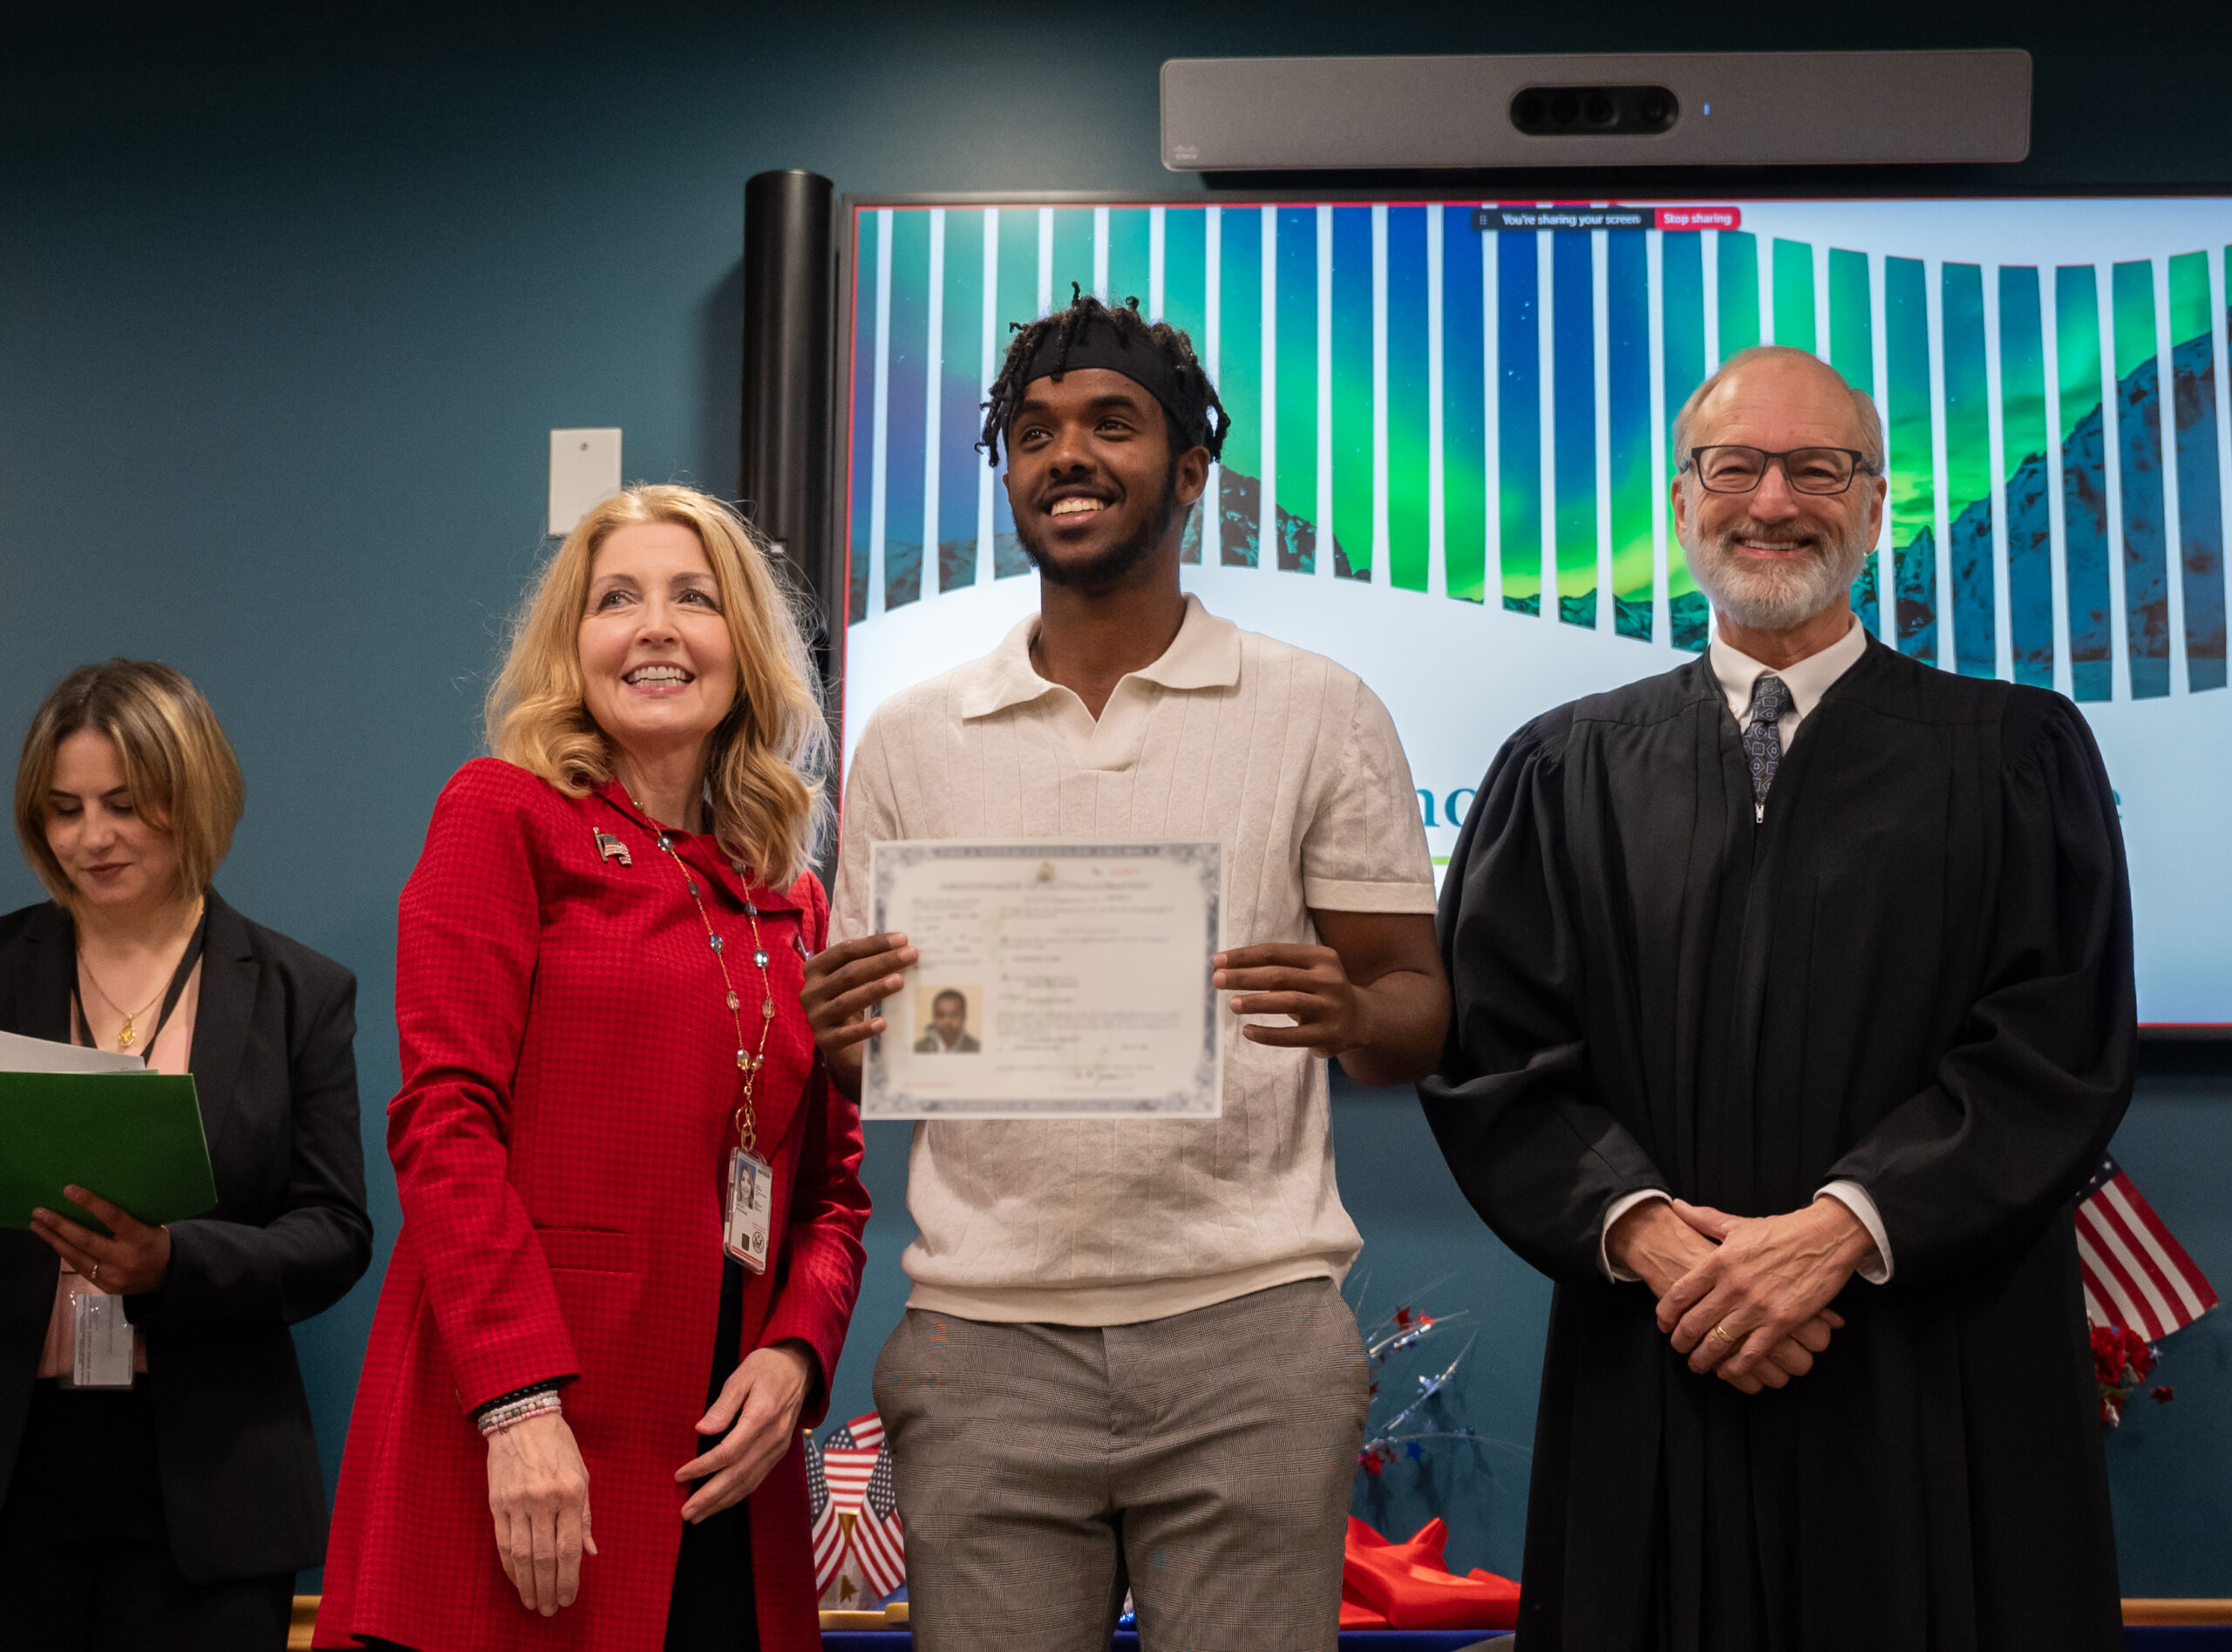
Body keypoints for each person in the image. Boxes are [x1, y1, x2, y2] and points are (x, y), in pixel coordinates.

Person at [1420, 344, 2134, 1651]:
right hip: (1662, 1351)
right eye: (1735, 466)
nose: (1772, 500)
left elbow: (2058, 1044)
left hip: (1932, 1361)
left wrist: (1835, 1234)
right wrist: (1658, 1244)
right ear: (1681, 500)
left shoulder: (2017, 755)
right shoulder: (1563, 768)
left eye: (1818, 468)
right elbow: (1498, 1055)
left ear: (1872, 505)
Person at [805, 293, 1449, 1652]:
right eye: (1034, 433)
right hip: (983, 1340)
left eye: (1112, 422)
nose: (1067, 455)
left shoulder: (1320, 708)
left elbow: (1414, 1010)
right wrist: (838, 1032)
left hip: (1252, 1335)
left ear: (1194, 470)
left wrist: (1350, 1011)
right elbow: (870, 1054)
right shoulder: (913, 737)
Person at [315, 486, 871, 1652]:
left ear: (748, 646)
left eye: (695, 597)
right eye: (616, 598)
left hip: (722, 1454)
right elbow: (443, 1122)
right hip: (526, 1430)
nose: (656, 625)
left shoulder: (796, 894)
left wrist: (798, 1349)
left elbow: (832, 1189)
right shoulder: (502, 814)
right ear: (574, 645)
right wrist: (518, 1405)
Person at [0, 659, 371, 1651]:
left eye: (125, 804)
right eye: (65, 807)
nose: (92, 836)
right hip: (15, 1474)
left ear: (191, 792)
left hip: (212, 1486)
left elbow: (334, 1230)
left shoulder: (299, 990)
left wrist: (177, 1260)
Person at [912, 989, 977, 1053]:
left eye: (954, 1015)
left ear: (963, 1017)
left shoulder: (976, 1048)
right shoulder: (918, 1049)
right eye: (941, 1015)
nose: (947, 1021)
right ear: (934, 1017)